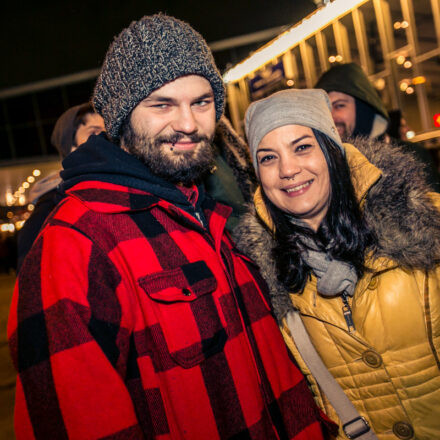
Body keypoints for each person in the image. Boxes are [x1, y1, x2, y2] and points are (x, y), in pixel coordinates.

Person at [8, 15, 334, 440]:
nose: (187, 123)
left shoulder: (209, 212)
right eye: (162, 104)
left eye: (201, 102)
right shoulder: (76, 242)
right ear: (121, 116)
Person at [234, 88, 440, 439]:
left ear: (332, 151)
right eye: (268, 158)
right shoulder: (264, 275)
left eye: (302, 147)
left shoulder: (425, 222)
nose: (288, 170)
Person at [315, 62, 440, 191]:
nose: (331, 116)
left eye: (339, 105)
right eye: (325, 109)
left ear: (362, 109)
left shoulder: (411, 155)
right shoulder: (322, 166)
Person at [16, 103, 105, 270]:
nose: (104, 137)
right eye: (93, 132)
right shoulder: (52, 203)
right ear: (70, 147)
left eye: (106, 130)